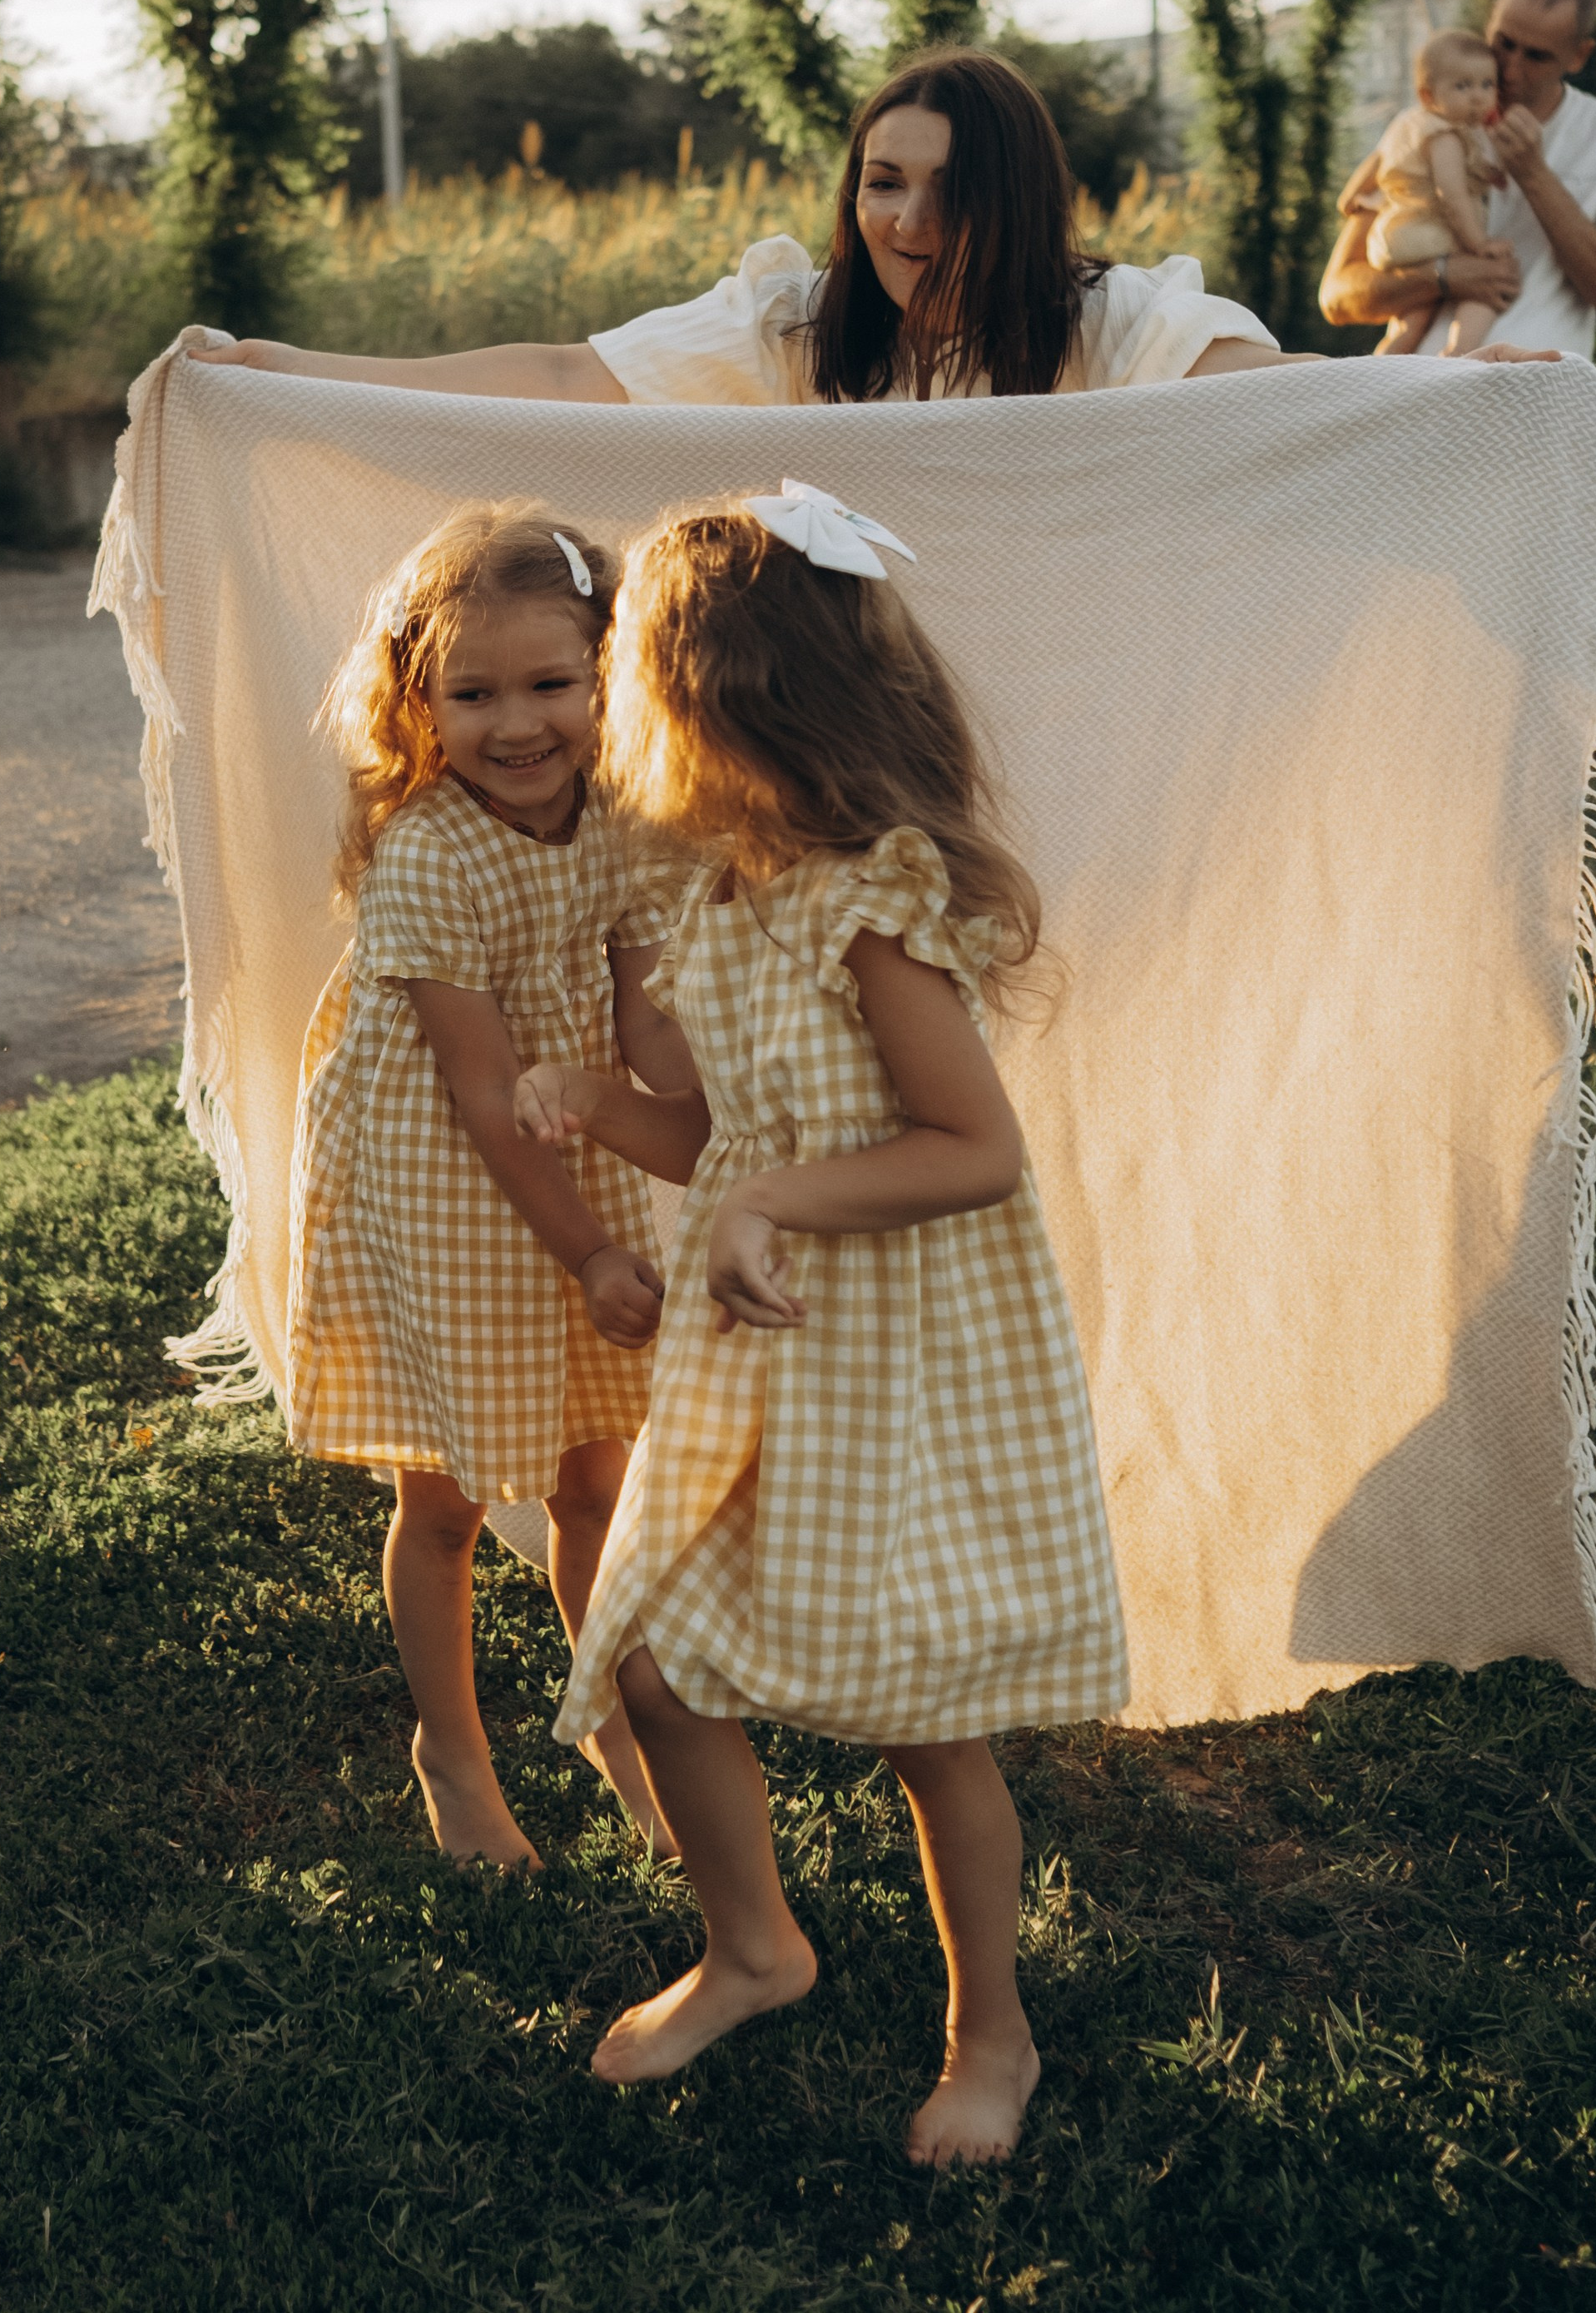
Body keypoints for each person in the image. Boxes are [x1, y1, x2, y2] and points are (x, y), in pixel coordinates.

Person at [510, 481, 1128, 2165]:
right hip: (753, 1351)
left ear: (716, 701)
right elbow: (727, 1143)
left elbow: (971, 1145)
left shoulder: (874, 900)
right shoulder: (728, 891)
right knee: (650, 1646)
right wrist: (599, 1101)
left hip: (896, 1362)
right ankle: (753, 1944)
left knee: (924, 1709)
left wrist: (775, 1204)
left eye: (629, 677)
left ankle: (989, 2031)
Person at [285, 504, 703, 1868]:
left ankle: (609, 1714)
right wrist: (588, 1253)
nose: (514, 724)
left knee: (598, 1470)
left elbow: (643, 1027)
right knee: (450, 1499)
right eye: (472, 694)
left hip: (563, 1140)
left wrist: (722, 1114)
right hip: (437, 1174)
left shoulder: (632, 818)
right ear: (420, 700)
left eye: (548, 685)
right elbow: (477, 1092)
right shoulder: (429, 848)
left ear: (607, 680)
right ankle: (451, 1753)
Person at [186, 47, 1286, 400]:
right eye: (882, 181)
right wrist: (286, 368)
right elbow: (573, 379)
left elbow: (1302, 406)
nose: (910, 222)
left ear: (1024, 204)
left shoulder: (1115, 323)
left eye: (953, 191)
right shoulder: (791, 328)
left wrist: (1450, 394)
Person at [1321, 0, 1596, 360]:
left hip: (1535, 397)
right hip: (1417, 396)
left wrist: (1534, 174)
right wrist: (1444, 277)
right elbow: (1338, 296)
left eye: (1537, 56)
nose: (1510, 70)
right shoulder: (1423, 125)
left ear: (1579, 56)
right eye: (1504, 43)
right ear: (1490, 23)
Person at [1339, 27, 1508, 357]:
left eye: (1487, 85)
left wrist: (1350, 196)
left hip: (1397, 235)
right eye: (1462, 86)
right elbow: (1452, 195)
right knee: (1484, 292)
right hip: (1427, 235)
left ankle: (1377, 373)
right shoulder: (1444, 135)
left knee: (1411, 322)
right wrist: (1479, 244)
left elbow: (1377, 160)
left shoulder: (1409, 122)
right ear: (1429, 96)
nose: (1477, 96)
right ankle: (1459, 355)